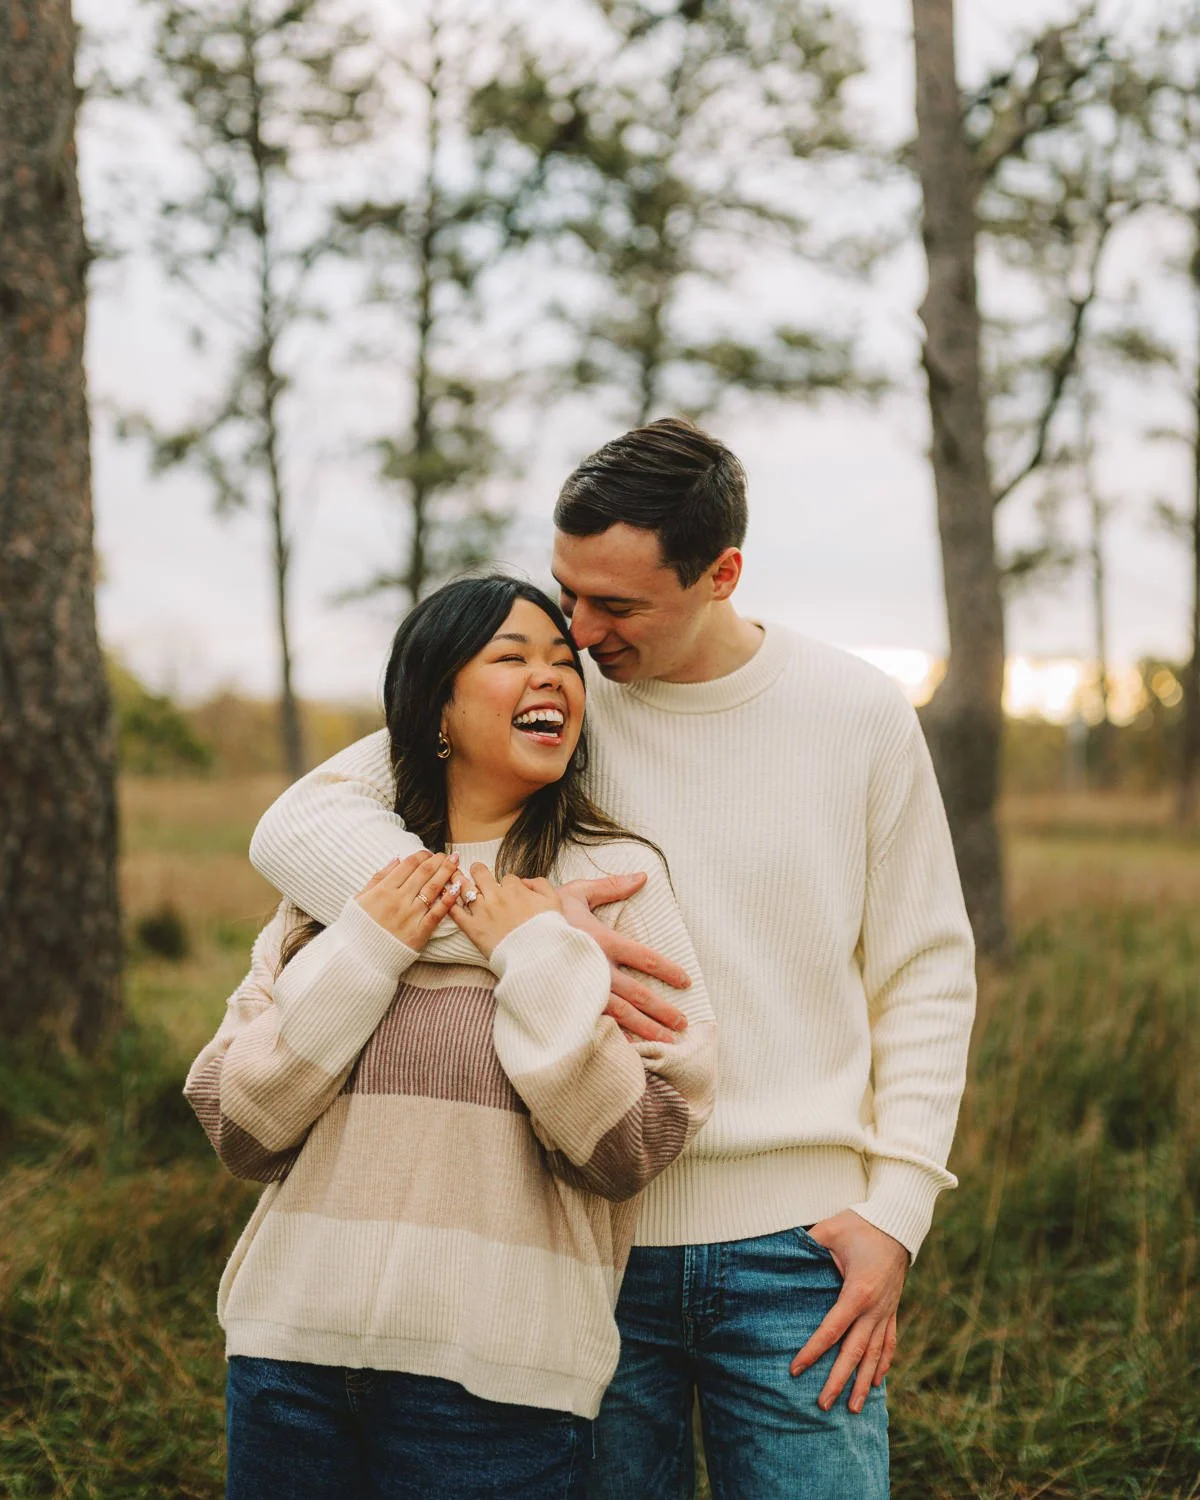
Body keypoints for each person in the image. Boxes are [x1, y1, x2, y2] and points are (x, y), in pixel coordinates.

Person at [248, 419, 977, 1499]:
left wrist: (897, 1214)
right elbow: (297, 831)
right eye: (566, 591)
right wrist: (509, 922)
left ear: (721, 574)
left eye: (617, 606)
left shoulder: (857, 711)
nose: (579, 631)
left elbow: (925, 970)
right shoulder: (551, 707)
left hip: (802, 1252)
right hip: (580, 1235)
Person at [185, 575, 717, 1500]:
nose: (552, 678)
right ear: (437, 704)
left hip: (500, 1383)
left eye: (565, 664)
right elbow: (242, 1127)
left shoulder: (615, 883)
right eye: (511, 658)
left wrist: (537, 953)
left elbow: (635, 1143)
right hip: (290, 1356)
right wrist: (368, 948)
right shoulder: (345, 883)